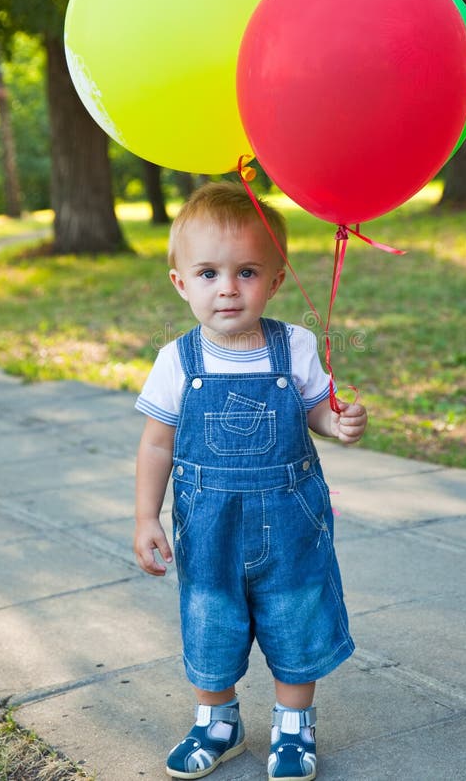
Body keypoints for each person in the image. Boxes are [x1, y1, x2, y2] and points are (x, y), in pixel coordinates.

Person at [134, 182, 367, 781]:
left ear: (277, 280)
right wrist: (144, 518)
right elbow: (157, 443)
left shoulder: (295, 346)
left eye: (247, 271)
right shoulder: (176, 361)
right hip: (209, 531)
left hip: (291, 524)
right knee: (211, 620)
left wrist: (335, 421)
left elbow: (313, 410)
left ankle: (294, 727)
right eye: (208, 273)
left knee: (296, 615)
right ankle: (218, 721)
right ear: (181, 284)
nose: (228, 288)